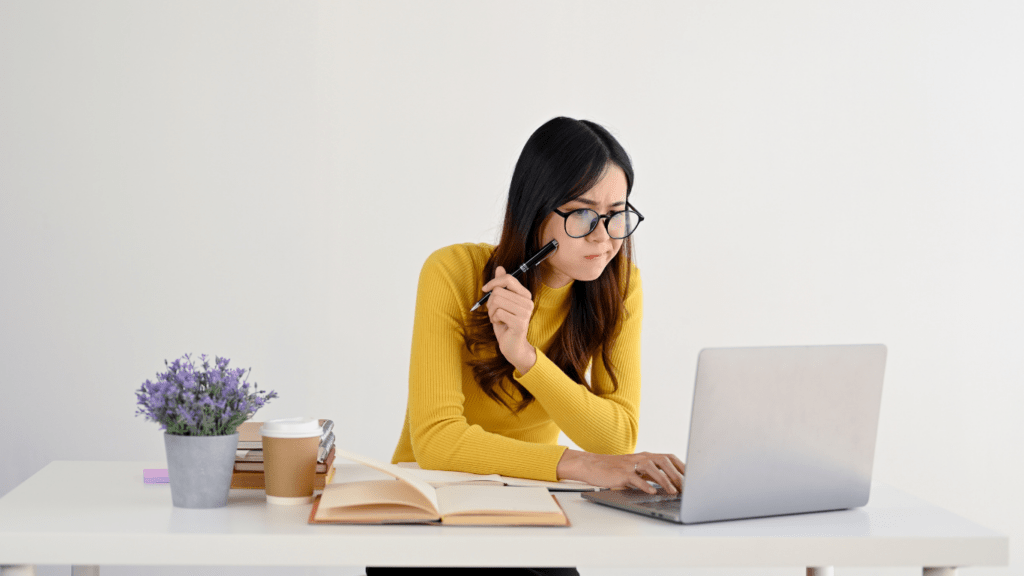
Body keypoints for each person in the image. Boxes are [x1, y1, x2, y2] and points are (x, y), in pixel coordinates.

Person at [367, 117, 684, 576]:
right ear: (536, 211)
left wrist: (527, 359)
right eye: (583, 214)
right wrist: (580, 466)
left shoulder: (621, 286)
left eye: (617, 214)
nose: (604, 236)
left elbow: (615, 438)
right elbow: (436, 442)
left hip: (528, 502)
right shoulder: (451, 272)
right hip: (430, 505)